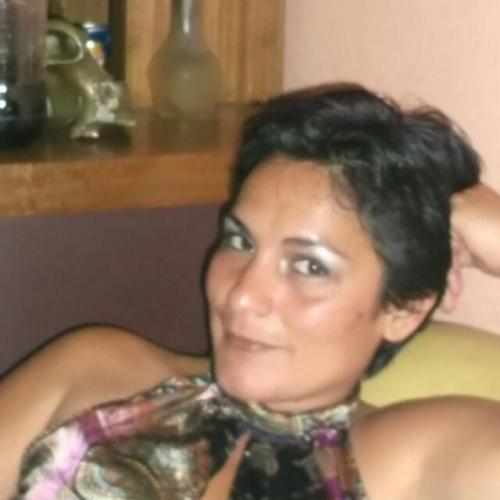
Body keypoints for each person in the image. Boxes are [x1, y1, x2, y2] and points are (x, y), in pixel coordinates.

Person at [1, 83, 500, 499]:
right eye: (240, 241)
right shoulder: (91, 369)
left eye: (309, 266)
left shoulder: (422, 456)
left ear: (404, 309)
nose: (242, 295)